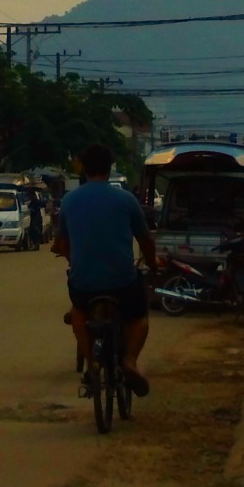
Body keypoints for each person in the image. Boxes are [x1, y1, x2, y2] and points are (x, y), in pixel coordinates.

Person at [56, 143, 158, 398]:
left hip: (84, 282)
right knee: (138, 318)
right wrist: (154, 265)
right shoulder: (126, 199)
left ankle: (92, 362)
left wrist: (74, 260)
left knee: (78, 313)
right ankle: (130, 362)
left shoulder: (69, 200)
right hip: (122, 280)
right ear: (110, 168)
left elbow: (61, 244)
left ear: (84, 168)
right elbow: (145, 240)